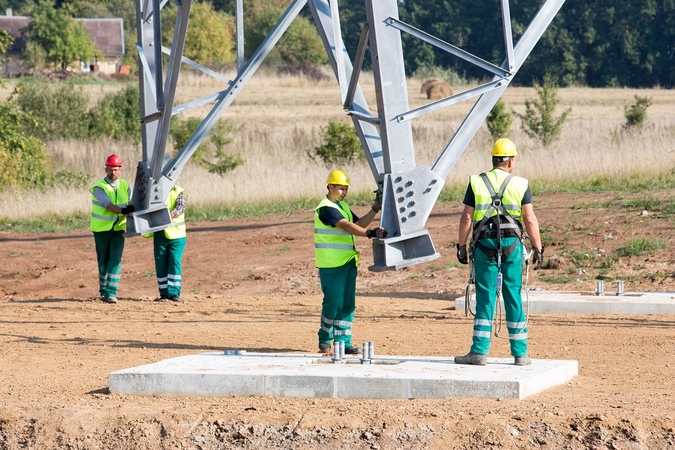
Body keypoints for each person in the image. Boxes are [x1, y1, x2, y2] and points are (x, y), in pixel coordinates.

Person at [454, 138, 543, 366]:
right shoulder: (520, 184)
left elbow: (466, 217)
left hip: (484, 246)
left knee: (486, 297)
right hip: (512, 246)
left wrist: (461, 246)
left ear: (493, 160)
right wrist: (538, 247)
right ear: (511, 161)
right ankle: (520, 354)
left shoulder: (476, 182)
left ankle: (479, 352)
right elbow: (530, 219)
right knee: (513, 295)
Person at [314, 169, 387, 355]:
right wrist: (370, 234)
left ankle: (343, 342)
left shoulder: (342, 207)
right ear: (330, 187)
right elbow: (346, 226)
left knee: (347, 303)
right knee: (333, 301)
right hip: (331, 265)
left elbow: (359, 224)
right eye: (340, 189)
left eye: (346, 189)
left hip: (347, 262)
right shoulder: (326, 208)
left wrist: (375, 209)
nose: (344, 192)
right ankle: (324, 335)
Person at [89, 154, 134, 304]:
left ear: (120, 169)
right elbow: (107, 205)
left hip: (118, 230)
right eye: (110, 169)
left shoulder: (125, 186)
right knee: (103, 261)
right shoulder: (98, 188)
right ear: (105, 169)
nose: (113, 172)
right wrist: (124, 211)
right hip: (101, 230)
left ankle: (111, 292)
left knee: (115, 260)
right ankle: (103, 290)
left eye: (115, 169)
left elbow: (132, 202)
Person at [146, 185, 188, 303]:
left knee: (174, 261)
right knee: (161, 263)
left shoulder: (179, 191)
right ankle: (164, 293)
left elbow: (180, 207)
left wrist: (170, 215)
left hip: (177, 235)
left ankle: (174, 293)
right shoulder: (154, 192)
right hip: (160, 234)